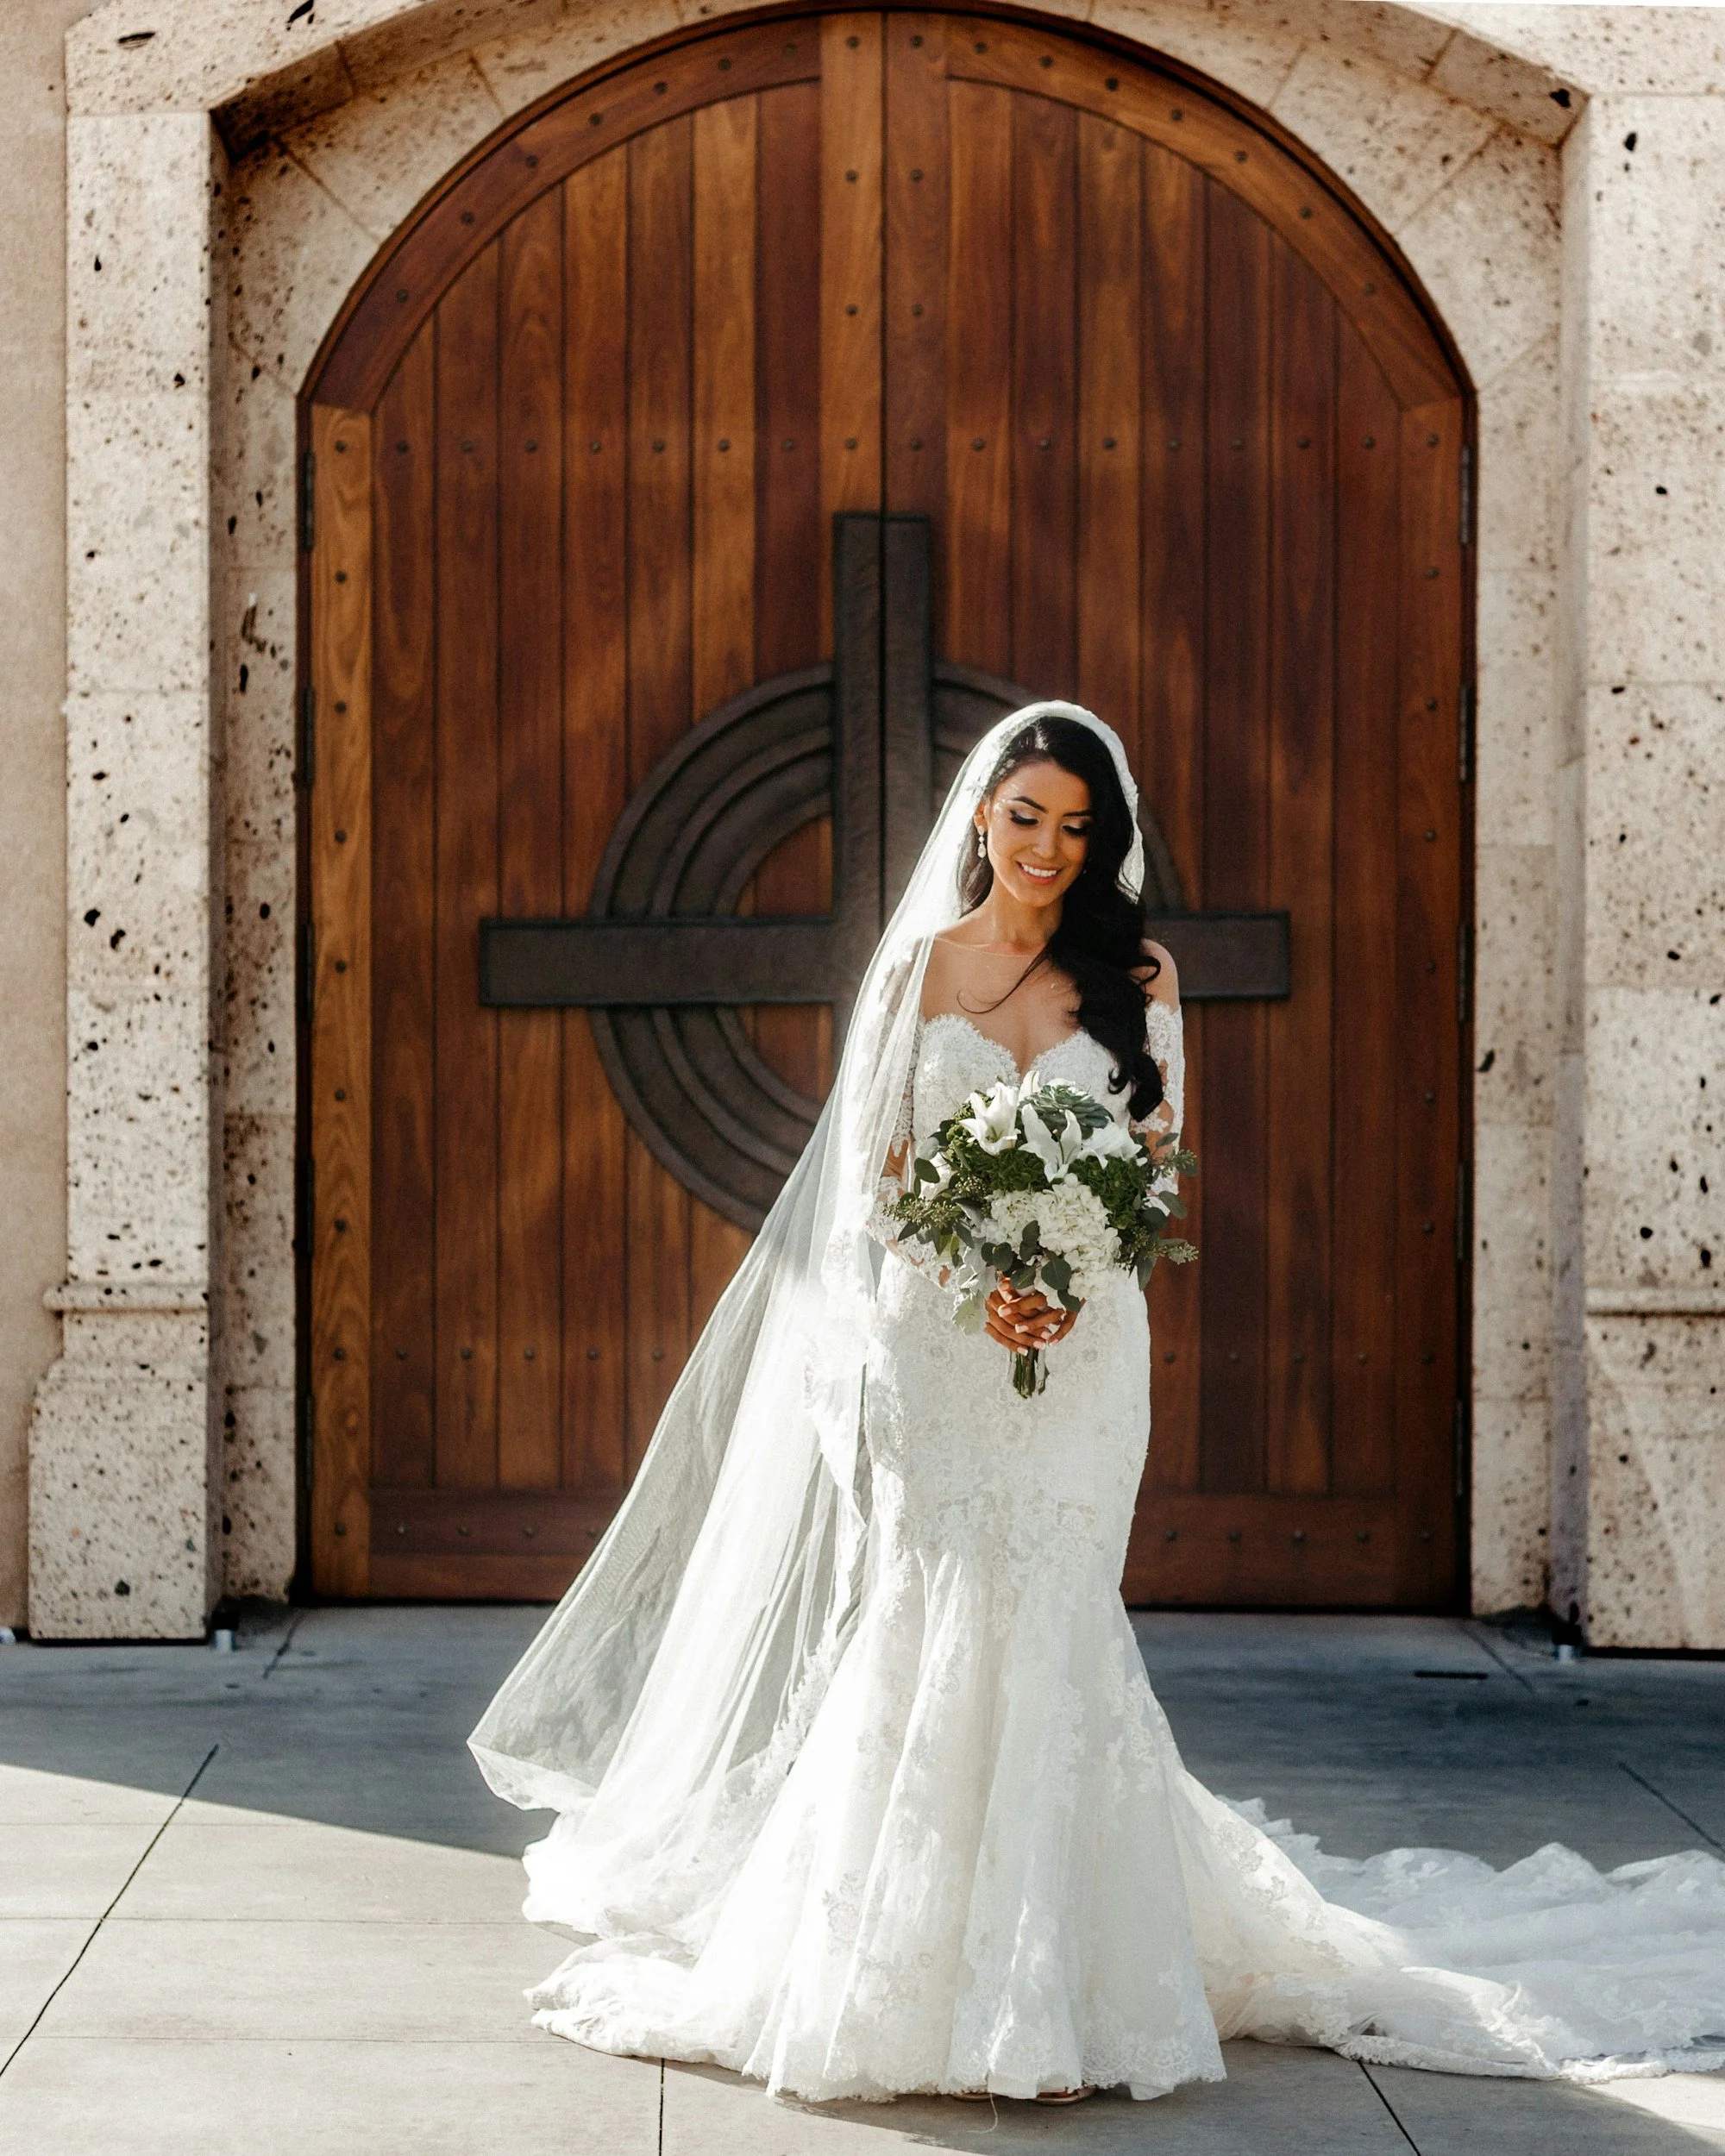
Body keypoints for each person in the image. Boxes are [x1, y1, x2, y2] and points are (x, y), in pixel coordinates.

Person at [471, 704, 1725, 2104]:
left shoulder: (1139, 973)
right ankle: (893, 1970)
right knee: (928, 1614)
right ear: (981, 817)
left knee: (1053, 1612)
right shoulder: (920, 975)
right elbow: (875, 1182)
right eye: (1026, 819)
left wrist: (1067, 1271)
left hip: (1085, 1347)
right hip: (936, 1347)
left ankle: (1044, 1992)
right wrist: (979, 1274)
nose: (1048, 850)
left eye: (1078, 829)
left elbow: (1156, 1162)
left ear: (1103, 841)